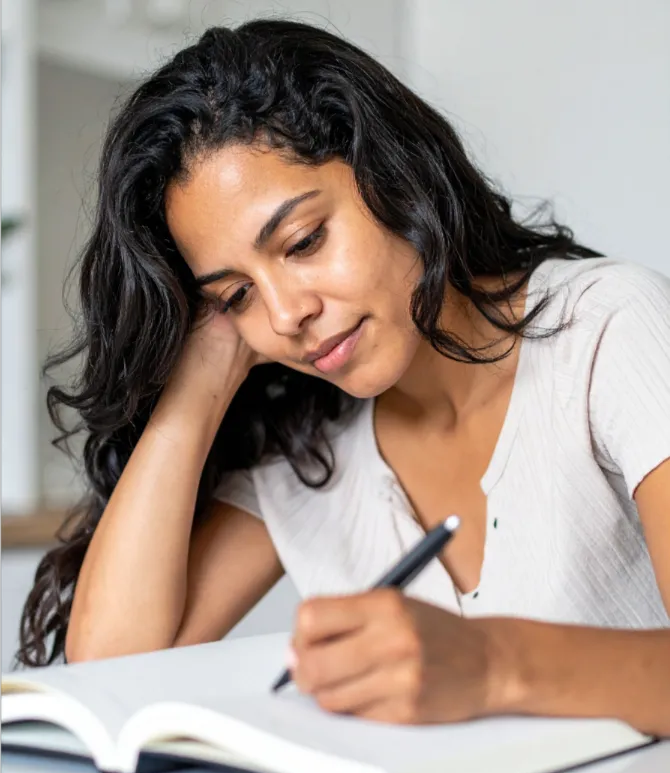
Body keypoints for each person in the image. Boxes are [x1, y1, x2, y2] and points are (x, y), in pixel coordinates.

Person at [18, 20, 669, 734]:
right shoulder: (307, 447)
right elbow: (111, 667)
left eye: (303, 241)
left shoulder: (609, 330)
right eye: (237, 294)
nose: (287, 314)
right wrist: (202, 377)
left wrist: (492, 664)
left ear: (393, 173)